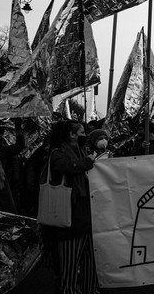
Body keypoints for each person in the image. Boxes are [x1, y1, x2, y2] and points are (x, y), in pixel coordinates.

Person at [43, 120, 99, 293]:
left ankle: (90, 289)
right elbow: (69, 167)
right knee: (70, 263)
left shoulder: (80, 151)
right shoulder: (57, 154)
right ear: (71, 134)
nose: (85, 135)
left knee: (90, 260)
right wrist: (87, 162)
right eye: (82, 132)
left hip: (85, 216)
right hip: (69, 219)